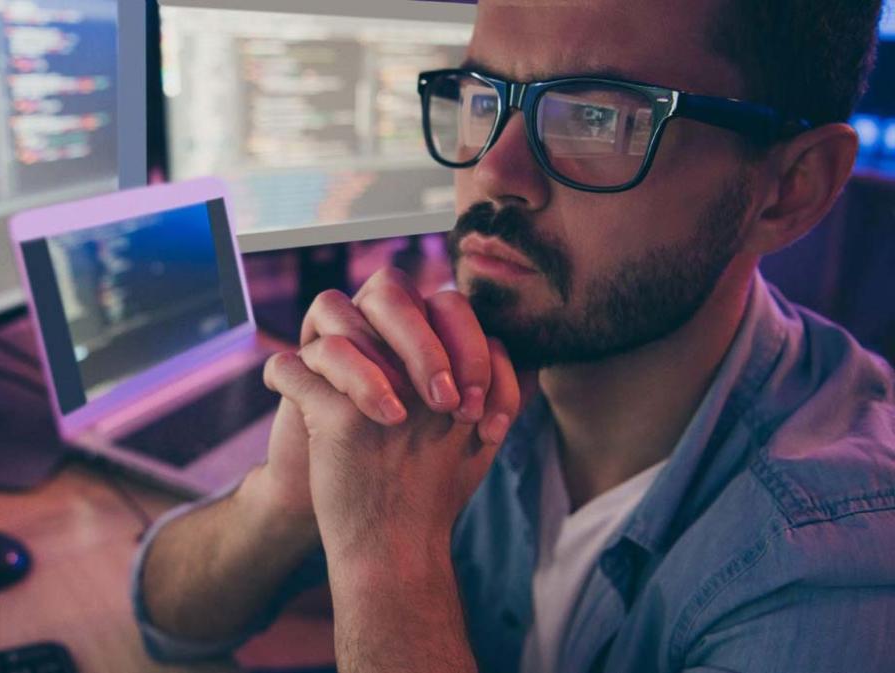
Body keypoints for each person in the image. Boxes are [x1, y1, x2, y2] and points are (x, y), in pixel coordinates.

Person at [131, 1, 895, 671]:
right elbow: (167, 621)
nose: (495, 170)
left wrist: (386, 561)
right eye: (482, 95)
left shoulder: (841, 562)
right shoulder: (453, 377)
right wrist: (285, 502)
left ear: (791, 190)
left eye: (598, 117)